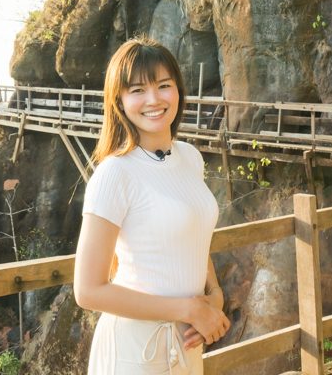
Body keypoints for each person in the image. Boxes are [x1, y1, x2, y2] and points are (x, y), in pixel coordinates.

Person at [74, 37, 230, 374]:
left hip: (186, 342)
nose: (154, 100)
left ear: (178, 90)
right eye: (137, 90)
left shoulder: (190, 157)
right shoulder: (115, 172)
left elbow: (192, 234)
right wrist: (189, 309)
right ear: (119, 100)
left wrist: (213, 297)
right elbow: (87, 291)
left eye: (163, 86)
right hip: (134, 351)